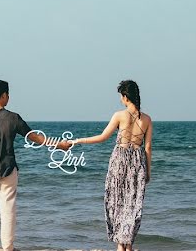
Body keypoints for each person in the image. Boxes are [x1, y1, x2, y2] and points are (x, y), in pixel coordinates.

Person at [0, 79, 71, 251]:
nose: (8, 97)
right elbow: (35, 138)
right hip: (8, 169)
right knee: (8, 210)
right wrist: (59, 145)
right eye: (7, 94)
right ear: (3, 95)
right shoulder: (13, 118)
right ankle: (8, 247)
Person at [63, 80, 152, 251]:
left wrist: (78, 141)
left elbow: (103, 137)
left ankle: (120, 246)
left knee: (116, 201)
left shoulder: (120, 115)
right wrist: (148, 171)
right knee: (132, 205)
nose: (120, 99)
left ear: (125, 97)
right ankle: (128, 246)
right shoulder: (147, 119)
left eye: (121, 96)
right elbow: (147, 148)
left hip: (119, 160)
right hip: (138, 162)